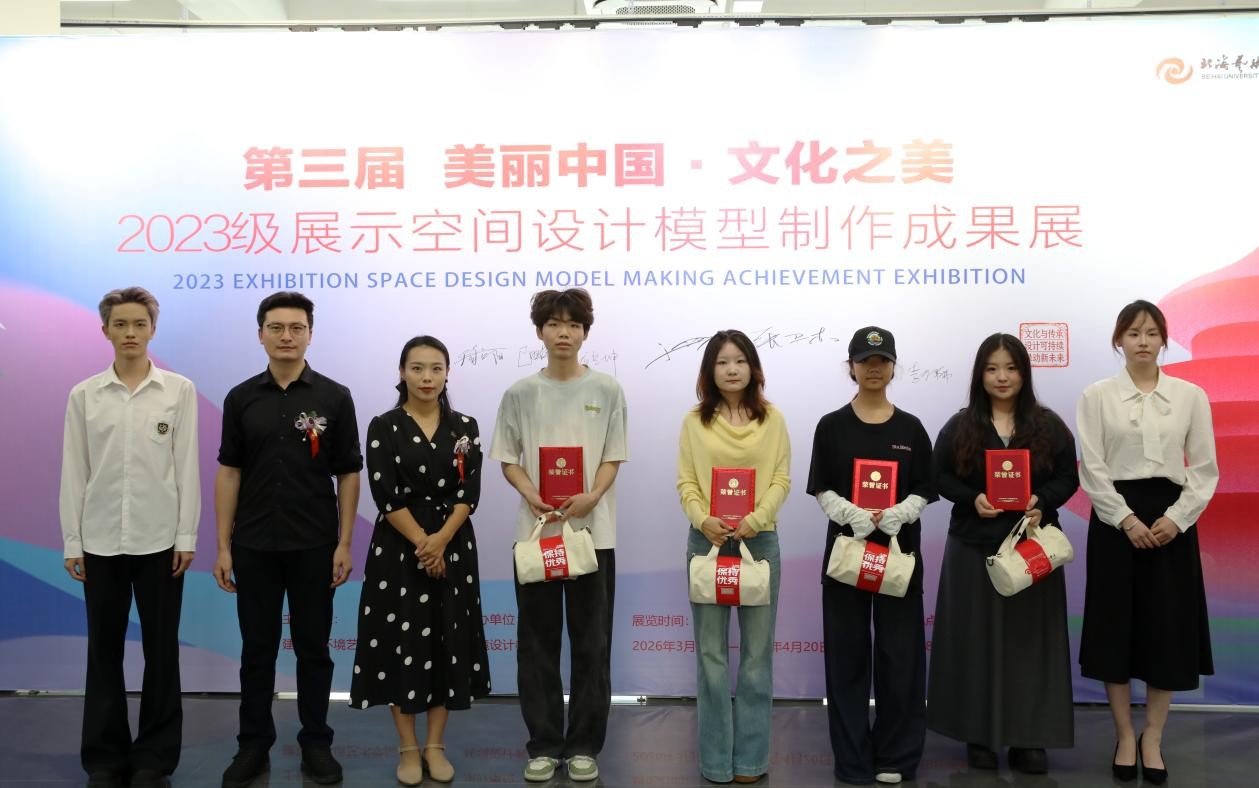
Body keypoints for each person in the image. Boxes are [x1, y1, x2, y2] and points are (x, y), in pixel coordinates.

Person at [212, 291, 362, 787]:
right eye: (276, 327)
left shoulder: (334, 397)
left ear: (310, 335)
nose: (286, 336)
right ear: (260, 334)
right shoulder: (241, 398)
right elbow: (229, 472)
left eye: (297, 328)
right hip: (254, 544)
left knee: (314, 650)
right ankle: (252, 745)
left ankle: (316, 743)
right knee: (257, 651)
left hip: (314, 544)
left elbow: (348, 473)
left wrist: (344, 543)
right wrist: (223, 545)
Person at [59, 287, 199, 788]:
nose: (131, 333)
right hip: (99, 541)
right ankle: (104, 758)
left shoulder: (178, 391)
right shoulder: (85, 395)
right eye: (120, 324)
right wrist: (72, 541)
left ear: (153, 329)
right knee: (104, 652)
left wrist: (186, 536)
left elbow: (186, 467)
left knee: (162, 652)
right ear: (105, 331)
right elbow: (74, 471)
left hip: (160, 542)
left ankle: (153, 759)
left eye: (140, 324)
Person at [490, 288, 628, 783]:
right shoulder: (520, 393)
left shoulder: (607, 389)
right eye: (554, 324)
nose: (563, 332)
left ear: (585, 332)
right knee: (537, 643)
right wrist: (530, 492)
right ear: (540, 332)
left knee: (592, 643)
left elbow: (613, 455)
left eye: (573, 324)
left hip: (594, 534)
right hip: (537, 535)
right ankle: (545, 745)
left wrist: (593, 495)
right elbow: (508, 458)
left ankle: (585, 744)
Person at [1077, 300, 1217, 785]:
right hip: (1116, 522)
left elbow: (1204, 469)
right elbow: (1092, 468)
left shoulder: (1190, 396)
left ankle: (1153, 736)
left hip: (1172, 524)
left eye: (1152, 333)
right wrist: (1125, 519)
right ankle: (1124, 734)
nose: (1143, 341)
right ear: (1119, 340)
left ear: (1164, 339)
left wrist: (1177, 518)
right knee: (1115, 627)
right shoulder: (1096, 395)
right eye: (1133, 333)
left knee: (1167, 629)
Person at [927, 333, 1078, 775]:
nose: (1002, 377)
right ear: (980, 375)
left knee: (1031, 644)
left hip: (1031, 551)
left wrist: (1042, 502)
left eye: (1011, 368)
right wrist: (971, 498)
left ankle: (1030, 737)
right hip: (973, 547)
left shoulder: (1048, 425)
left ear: (1024, 373)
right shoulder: (961, 426)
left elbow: (1068, 477)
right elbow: (938, 476)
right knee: (974, 643)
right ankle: (979, 735)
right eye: (992, 368)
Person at [349, 336, 491, 785]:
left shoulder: (465, 426)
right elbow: (385, 493)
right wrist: (423, 544)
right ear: (402, 372)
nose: (427, 377)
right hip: (398, 547)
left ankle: (435, 745)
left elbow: (469, 493)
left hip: (453, 545)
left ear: (447, 373)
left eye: (436, 368)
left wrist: (441, 540)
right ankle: (408, 748)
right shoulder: (383, 425)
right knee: (401, 644)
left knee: (447, 641)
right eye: (417, 368)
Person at [806, 327, 935, 786]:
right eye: (864, 361)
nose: (873, 368)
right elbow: (821, 486)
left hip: (898, 556)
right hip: (847, 555)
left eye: (882, 361)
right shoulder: (831, 425)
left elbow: (926, 487)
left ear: (894, 366)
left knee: (901, 657)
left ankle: (895, 756)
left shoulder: (911, 428)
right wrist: (852, 514)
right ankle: (853, 759)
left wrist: (899, 513)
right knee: (847, 656)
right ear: (852, 367)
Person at [677, 329, 791, 785]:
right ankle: (715, 762)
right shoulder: (694, 422)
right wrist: (702, 518)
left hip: (758, 543)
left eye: (740, 361)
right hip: (706, 541)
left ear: (753, 368)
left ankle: (749, 761)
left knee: (757, 658)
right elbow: (686, 482)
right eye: (722, 361)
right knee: (711, 658)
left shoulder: (773, 419)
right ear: (710, 370)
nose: (731, 369)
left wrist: (757, 518)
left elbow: (781, 478)